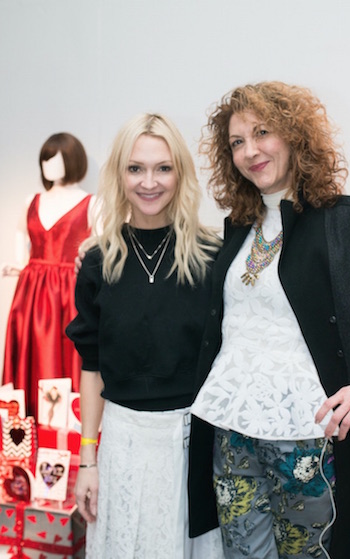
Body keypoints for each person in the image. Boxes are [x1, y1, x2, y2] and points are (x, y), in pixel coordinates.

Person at [188, 82, 350, 559]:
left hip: (308, 437)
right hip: (232, 432)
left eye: (262, 133)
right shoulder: (237, 227)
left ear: (294, 136)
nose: (250, 151)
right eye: (237, 142)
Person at [66, 114, 223, 558]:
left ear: (180, 174)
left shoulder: (213, 257)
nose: (149, 182)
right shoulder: (97, 261)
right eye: (136, 168)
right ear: (119, 174)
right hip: (123, 445)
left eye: (163, 168)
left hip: (195, 446)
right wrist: (87, 460)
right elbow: (92, 367)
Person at [3, 132, 94, 418]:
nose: (48, 166)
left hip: (69, 290)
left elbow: (100, 246)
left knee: (69, 350)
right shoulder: (32, 201)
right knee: (29, 350)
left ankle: (68, 429)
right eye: (45, 159)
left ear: (73, 160)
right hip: (31, 290)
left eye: (55, 159)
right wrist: (21, 264)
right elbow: (21, 234)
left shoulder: (92, 203)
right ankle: (24, 427)